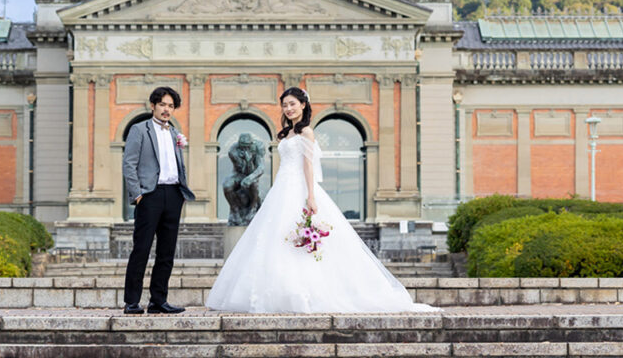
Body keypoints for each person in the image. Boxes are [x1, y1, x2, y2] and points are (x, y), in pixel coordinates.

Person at [206, 87, 438, 313]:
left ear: (303, 105)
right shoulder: (286, 134)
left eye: (292, 104)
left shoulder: (307, 132)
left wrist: (310, 196)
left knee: (297, 237)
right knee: (275, 236)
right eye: (285, 105)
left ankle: (308, 291)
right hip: (281, 188)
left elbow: (308, 165)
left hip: (299, 187)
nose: (288, 108)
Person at [121, 86, 196, 314]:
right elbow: (129, 164)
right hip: (150, 196)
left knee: (167, 252)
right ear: (153, 105)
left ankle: (158, 300)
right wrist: (138, 194)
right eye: (163, 104)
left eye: (171, 106)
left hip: (173, 194)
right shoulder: (139, 130)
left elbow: (177, 165)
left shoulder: (174, 133)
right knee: (141, 249)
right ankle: (132, 302)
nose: (166, 109)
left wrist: (181, 193)